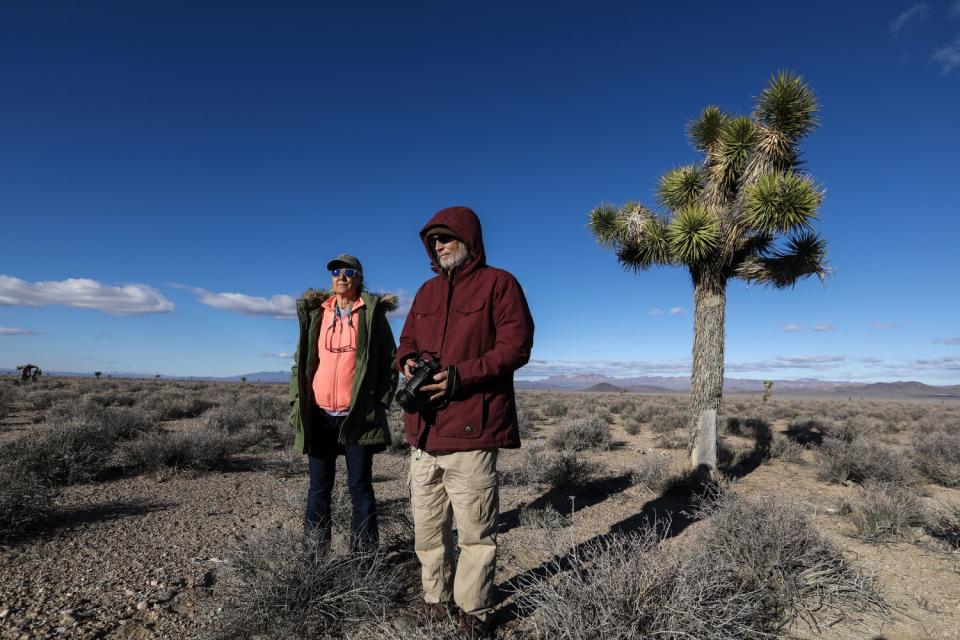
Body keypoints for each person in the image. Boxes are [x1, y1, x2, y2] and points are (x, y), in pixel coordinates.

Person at [398, 206, 534, 637]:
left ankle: (473, 611)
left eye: (446, 238)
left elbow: (516, 347)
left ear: (469, 240)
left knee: (475, 532)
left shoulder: (499, 284)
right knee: (428, 528)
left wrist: (460, 376)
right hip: (424, 433)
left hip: (471, 434)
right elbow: (406, 341)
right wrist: (407, 362)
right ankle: (435, 599)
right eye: (433, 241)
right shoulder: (426, 292)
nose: (439, 247)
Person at [288, 254, 398, 552]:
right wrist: (296, 399)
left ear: (359, 278)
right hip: (320, 415)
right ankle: (314, 557)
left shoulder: (371, 315)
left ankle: (363, 559)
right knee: (318, 489)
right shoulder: (317, 314)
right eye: (336, 271)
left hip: (357, 416)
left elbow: (391, 361)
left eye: (349, 272)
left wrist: (380, 402)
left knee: (359, 488)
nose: (342, 276)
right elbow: (302, 360)